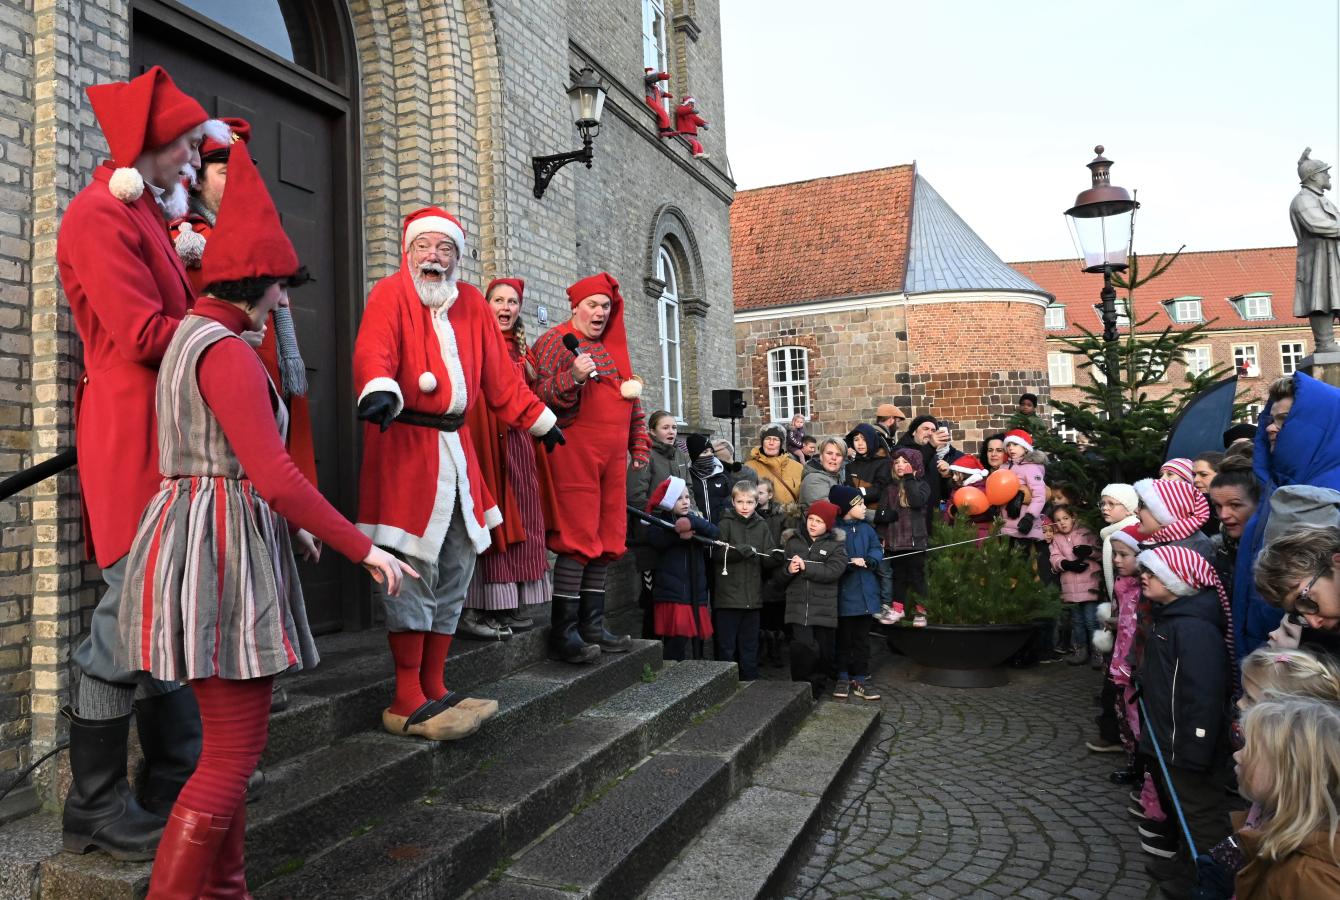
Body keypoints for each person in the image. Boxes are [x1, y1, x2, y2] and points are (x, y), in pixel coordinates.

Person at [113, 141, 418, 896]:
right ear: (261, 283)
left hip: (198, 531)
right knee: (229, 761)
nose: (285, 300)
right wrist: (363, 548)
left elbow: (245, 464)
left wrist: (299, 525)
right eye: (282, 288)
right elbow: (273, 471)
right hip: (218, 547)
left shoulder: (193, 335)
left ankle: (228, 891)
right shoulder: (228, 352)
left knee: (227, 751)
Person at [57, 66, 216, 861]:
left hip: (166, 429)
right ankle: (92, 805)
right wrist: (223, 334)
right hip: (130, 433)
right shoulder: (97, 214)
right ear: (145, 145)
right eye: (185, 145)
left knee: (165, 615)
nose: (193, 159)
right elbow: (144, 334)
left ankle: (171, 778)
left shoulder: (147, 213)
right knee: (128, 618)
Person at [353, 206, 565, 731]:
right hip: (406, 446)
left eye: (444, 249)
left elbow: (500, 379)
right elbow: (373, 352)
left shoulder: (470, 302)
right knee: (409, 572)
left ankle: (436, 685)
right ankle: (406, 698)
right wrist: (378, 387)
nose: (434, 258)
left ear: (457, 256)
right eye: (424, 246)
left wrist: (539, 418)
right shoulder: (390, 294)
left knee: (456, 569)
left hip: (457, 449)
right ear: (409, 251)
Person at [168, 116, 318, 498]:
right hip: (229, 406)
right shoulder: (189, 241)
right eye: (225, 170)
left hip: (274, 393)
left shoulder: (259, 242)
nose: (240, 180)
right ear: (197, 179)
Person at [531, 271, 649, 662]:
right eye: (593, 305)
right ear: (576, 307)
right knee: (578, 538)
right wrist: (573, 378)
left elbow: (632, 404)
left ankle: (592, 625)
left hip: (612, 460)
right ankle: (563, 633)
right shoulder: (554, 343)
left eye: (606, 306)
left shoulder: (616, 353)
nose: (600, 312)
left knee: (607, 539)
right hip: (574, 453)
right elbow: (536, 399)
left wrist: (639, 444)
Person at [1134, 544, 1237, 896]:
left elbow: (1202, 693)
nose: (1142, 576)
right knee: (1182, 810)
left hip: (1187, 744)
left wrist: (1194, 746)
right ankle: (1185, 866)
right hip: (1169, 738)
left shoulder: (1193, 629)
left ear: (1179, 581)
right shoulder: (1173, 619)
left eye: (1153, 572)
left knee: (1202, 813)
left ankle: (1215, 881)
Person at [459, 277, 558, 640]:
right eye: (498, 300)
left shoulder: (522, 352)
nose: (505, 307)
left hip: (518, 444)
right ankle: (480, 606)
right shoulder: (474, 343)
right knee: (493, 518)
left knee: (525, 518)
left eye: (512, 302)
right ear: (486, 305)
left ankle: (512, 601)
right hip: (486, 442)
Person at [1233, 373, 1340, 662]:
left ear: (1318, 428)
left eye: (1283, 420)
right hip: (1268, 649)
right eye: (1270, 419)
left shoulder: (1331, 489)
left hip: (1303, 663)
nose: (1270, 428)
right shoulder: (1277, 488)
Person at [1232, 696, 1340, 898]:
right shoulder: (1283, 829)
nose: (1238, 755)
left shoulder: (1312, 879)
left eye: (1251, 749)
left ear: (1292, 774)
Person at [628, 410, 692, 637]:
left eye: (674, 427)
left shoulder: (681, 456)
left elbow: (689, 489)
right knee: (652, 596)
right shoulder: (645, 456)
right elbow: (636, 497)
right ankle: (651, 643)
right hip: (650, 535)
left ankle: (671, 642)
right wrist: (664, 514)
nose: (671, 432)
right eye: (665, 427)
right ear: (652, 431)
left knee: (672, 593)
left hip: (676, 534)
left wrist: (689, 511)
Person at [646, 476, 717, 661]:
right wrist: (677, 534)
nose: (685, 502)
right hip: (673, 591)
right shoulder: (660, 521)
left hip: (694, 590)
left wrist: (692, 523)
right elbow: (656, 540)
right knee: (676, 638)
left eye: (687, 497)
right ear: (669, 500)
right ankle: (671, 673)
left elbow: (714, 531)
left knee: (692, 637)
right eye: (679, 498)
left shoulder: (694, 519)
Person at [781, 500, 848, 697]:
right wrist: (788, 570)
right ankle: (800, 690)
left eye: (819, 521)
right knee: (802, 648)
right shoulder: (793, 542)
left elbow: (833, 571)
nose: (813, 524)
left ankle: (817, 691)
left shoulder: (836, 547)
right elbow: (780, 574)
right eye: (811, 519)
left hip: (824, 609)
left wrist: (806, 567)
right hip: (798, 607)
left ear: (827, 524)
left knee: (822, 653)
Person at [712, 481, 778, 680]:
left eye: (749, 502)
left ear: (757, 503)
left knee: (750, 645)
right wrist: (737, 551)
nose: (744, 506)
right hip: (728, 598)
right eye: (740, 501)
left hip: (753, 598)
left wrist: (775, 558)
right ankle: (724, 682)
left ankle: (750, 681)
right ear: (733, 502)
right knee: (726, 646)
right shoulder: (725, 524)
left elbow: (768, 555)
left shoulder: (762, 525)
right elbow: (716, 553)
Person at [829, 486, 883, 701]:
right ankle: (842, 675)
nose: (864, 508)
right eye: (859, 504)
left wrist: (870, 560)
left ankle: (861, 676)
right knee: (844, 639)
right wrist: (849, 563)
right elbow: (833, 556)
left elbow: (876, 549)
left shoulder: (867, 529)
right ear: (847, 508)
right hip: (845, 595)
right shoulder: (834, 531)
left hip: (866, 595)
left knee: (862, 640)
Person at [877, 447, 931, 626]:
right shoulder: (889, 488)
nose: (900, 465)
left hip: (915, 541)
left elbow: (916, 501)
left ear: (915, 465)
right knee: (898, 576)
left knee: (917, 577)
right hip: (895, 541)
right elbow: (882, 515)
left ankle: (921, 611)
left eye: (905, 462)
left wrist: (909, 478)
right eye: (897, 462)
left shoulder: (921, 484)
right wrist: (881, 536)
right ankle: (897, 608)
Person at [1047, 505, 1101, 667]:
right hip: (1070, 589)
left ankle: (1097, 652)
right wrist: (1065, 564)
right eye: (1058, 520)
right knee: (1077, 621)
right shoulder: (1056, 539)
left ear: (1073, 518)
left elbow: (1100, 552)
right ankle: (1080, 650)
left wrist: (1089, 551)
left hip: (1090, 585)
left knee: (1092, 621)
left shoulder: (1085, 532)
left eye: (1065, 518)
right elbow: (1054, 558)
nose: (1062, 523)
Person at [1207, 459, 1261, 597]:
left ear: (1259, 504)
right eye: (1218, 505)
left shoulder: (1273, 553)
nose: (1223, 515)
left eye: (1235, 505)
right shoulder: (1216, 551)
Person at [1132, 477, 1214, 560]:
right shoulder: (1162, 541)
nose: (1135, 510)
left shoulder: (1195, 546)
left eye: (1141, 504)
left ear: (1169, 512)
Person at [744, 423, 804, 506]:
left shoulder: (798, 467)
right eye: (767, 439)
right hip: (764, 517)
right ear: (762, 442)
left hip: (791, 516)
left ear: (781, 443)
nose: (771, 443)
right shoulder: (749, 467)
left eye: (776, 439)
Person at [1098, 484, 1140, 600]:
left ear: (1129, 509)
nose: (1105, 508)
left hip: (1132, 597)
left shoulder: (1133, 532)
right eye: (1103, 503)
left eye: (1111, 504)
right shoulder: (1110, 533)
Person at [843, 423, 891, 512]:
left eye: (864, 439)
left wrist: (858, 493)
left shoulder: (884, 463)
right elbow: (847, 490)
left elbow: (879, 491)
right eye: (856, 439)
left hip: (877, 515)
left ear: (871, 440)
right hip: (855, 513)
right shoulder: (850, 466)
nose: (860, 444)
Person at [686, 432, 732, 523]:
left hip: (722, 528)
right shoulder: (688, 478)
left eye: (711, 451)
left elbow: (730, 503)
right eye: (705, 452)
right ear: (695, 456)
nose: (710, 454)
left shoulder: (723, 476)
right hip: (698, 529)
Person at [799, 436, 846, 506]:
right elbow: (825, 514)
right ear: (821, 456)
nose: (833, 458)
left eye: (838, 454)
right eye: (829, 453)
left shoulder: (838, 476)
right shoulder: (813, 481)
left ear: (842, 460)